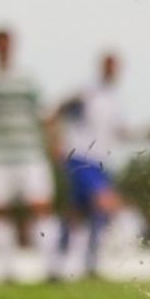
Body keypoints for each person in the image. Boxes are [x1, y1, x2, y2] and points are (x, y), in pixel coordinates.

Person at [0, 26, 61, 280]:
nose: (3, 48)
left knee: (41, 207)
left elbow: (44, 113)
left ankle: (51, 268)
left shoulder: (27, 79)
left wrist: (54, 140)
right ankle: (6, 270)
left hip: (29, 153)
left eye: (7, 43)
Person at [56, 51, 131, 279]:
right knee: (105, 202)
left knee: (78, 212)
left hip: (100, 160)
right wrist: (55, 142)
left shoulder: (113, 99)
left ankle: (59, 260)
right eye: (109, 65)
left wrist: (145, 134)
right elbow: (58, 110)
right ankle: (91, 261)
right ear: (101, 67)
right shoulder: (88, 92)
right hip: (80, 156)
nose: (112, 70)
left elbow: (118, 132)